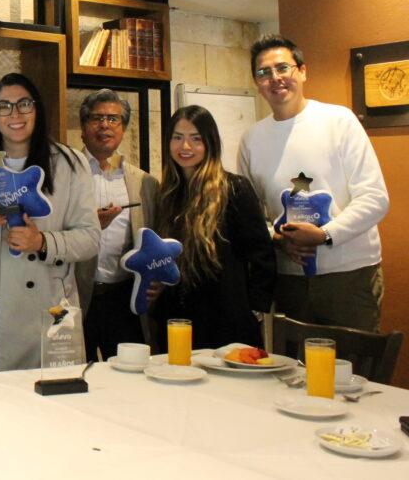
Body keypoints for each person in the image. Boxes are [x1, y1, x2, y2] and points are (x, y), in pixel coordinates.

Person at [0, 73, 100, 374]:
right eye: (3, 106)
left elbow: (91, 238)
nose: (14, 114)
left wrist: (42, 242)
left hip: (42, 309)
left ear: (37, 109)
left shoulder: (68, 163)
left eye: (24, 104)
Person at [238, 35, 388, 331]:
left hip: (349, 275)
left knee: (353, 359)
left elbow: (375, 198)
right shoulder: (252, 139)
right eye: (264, 72)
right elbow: (248, 215)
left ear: (303, 71)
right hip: (288, 279)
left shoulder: (339, 121)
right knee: (292, 360)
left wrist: (324, 234)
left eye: (283, 68)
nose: (275, 78)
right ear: (256, 82)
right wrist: (278, 240)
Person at [153, 105, 275, 350]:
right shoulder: (167, 193)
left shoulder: (234, 188)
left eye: (196, 139)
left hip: (226, 317)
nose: (185, 146)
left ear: (210, 143)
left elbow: (262, 254)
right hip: (178, 319)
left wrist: (254, 310)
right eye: (178, 137)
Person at [76, 89, 159, 360]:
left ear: (123, 128)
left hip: (124, 296)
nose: (105, 125)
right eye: (96, 118)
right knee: (76, 373)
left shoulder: (144, 183)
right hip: (77, 295)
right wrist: (90, 225)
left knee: (129, 373)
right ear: (83, 128)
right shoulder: (64, 173)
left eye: (113, 119)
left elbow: (156, 241)